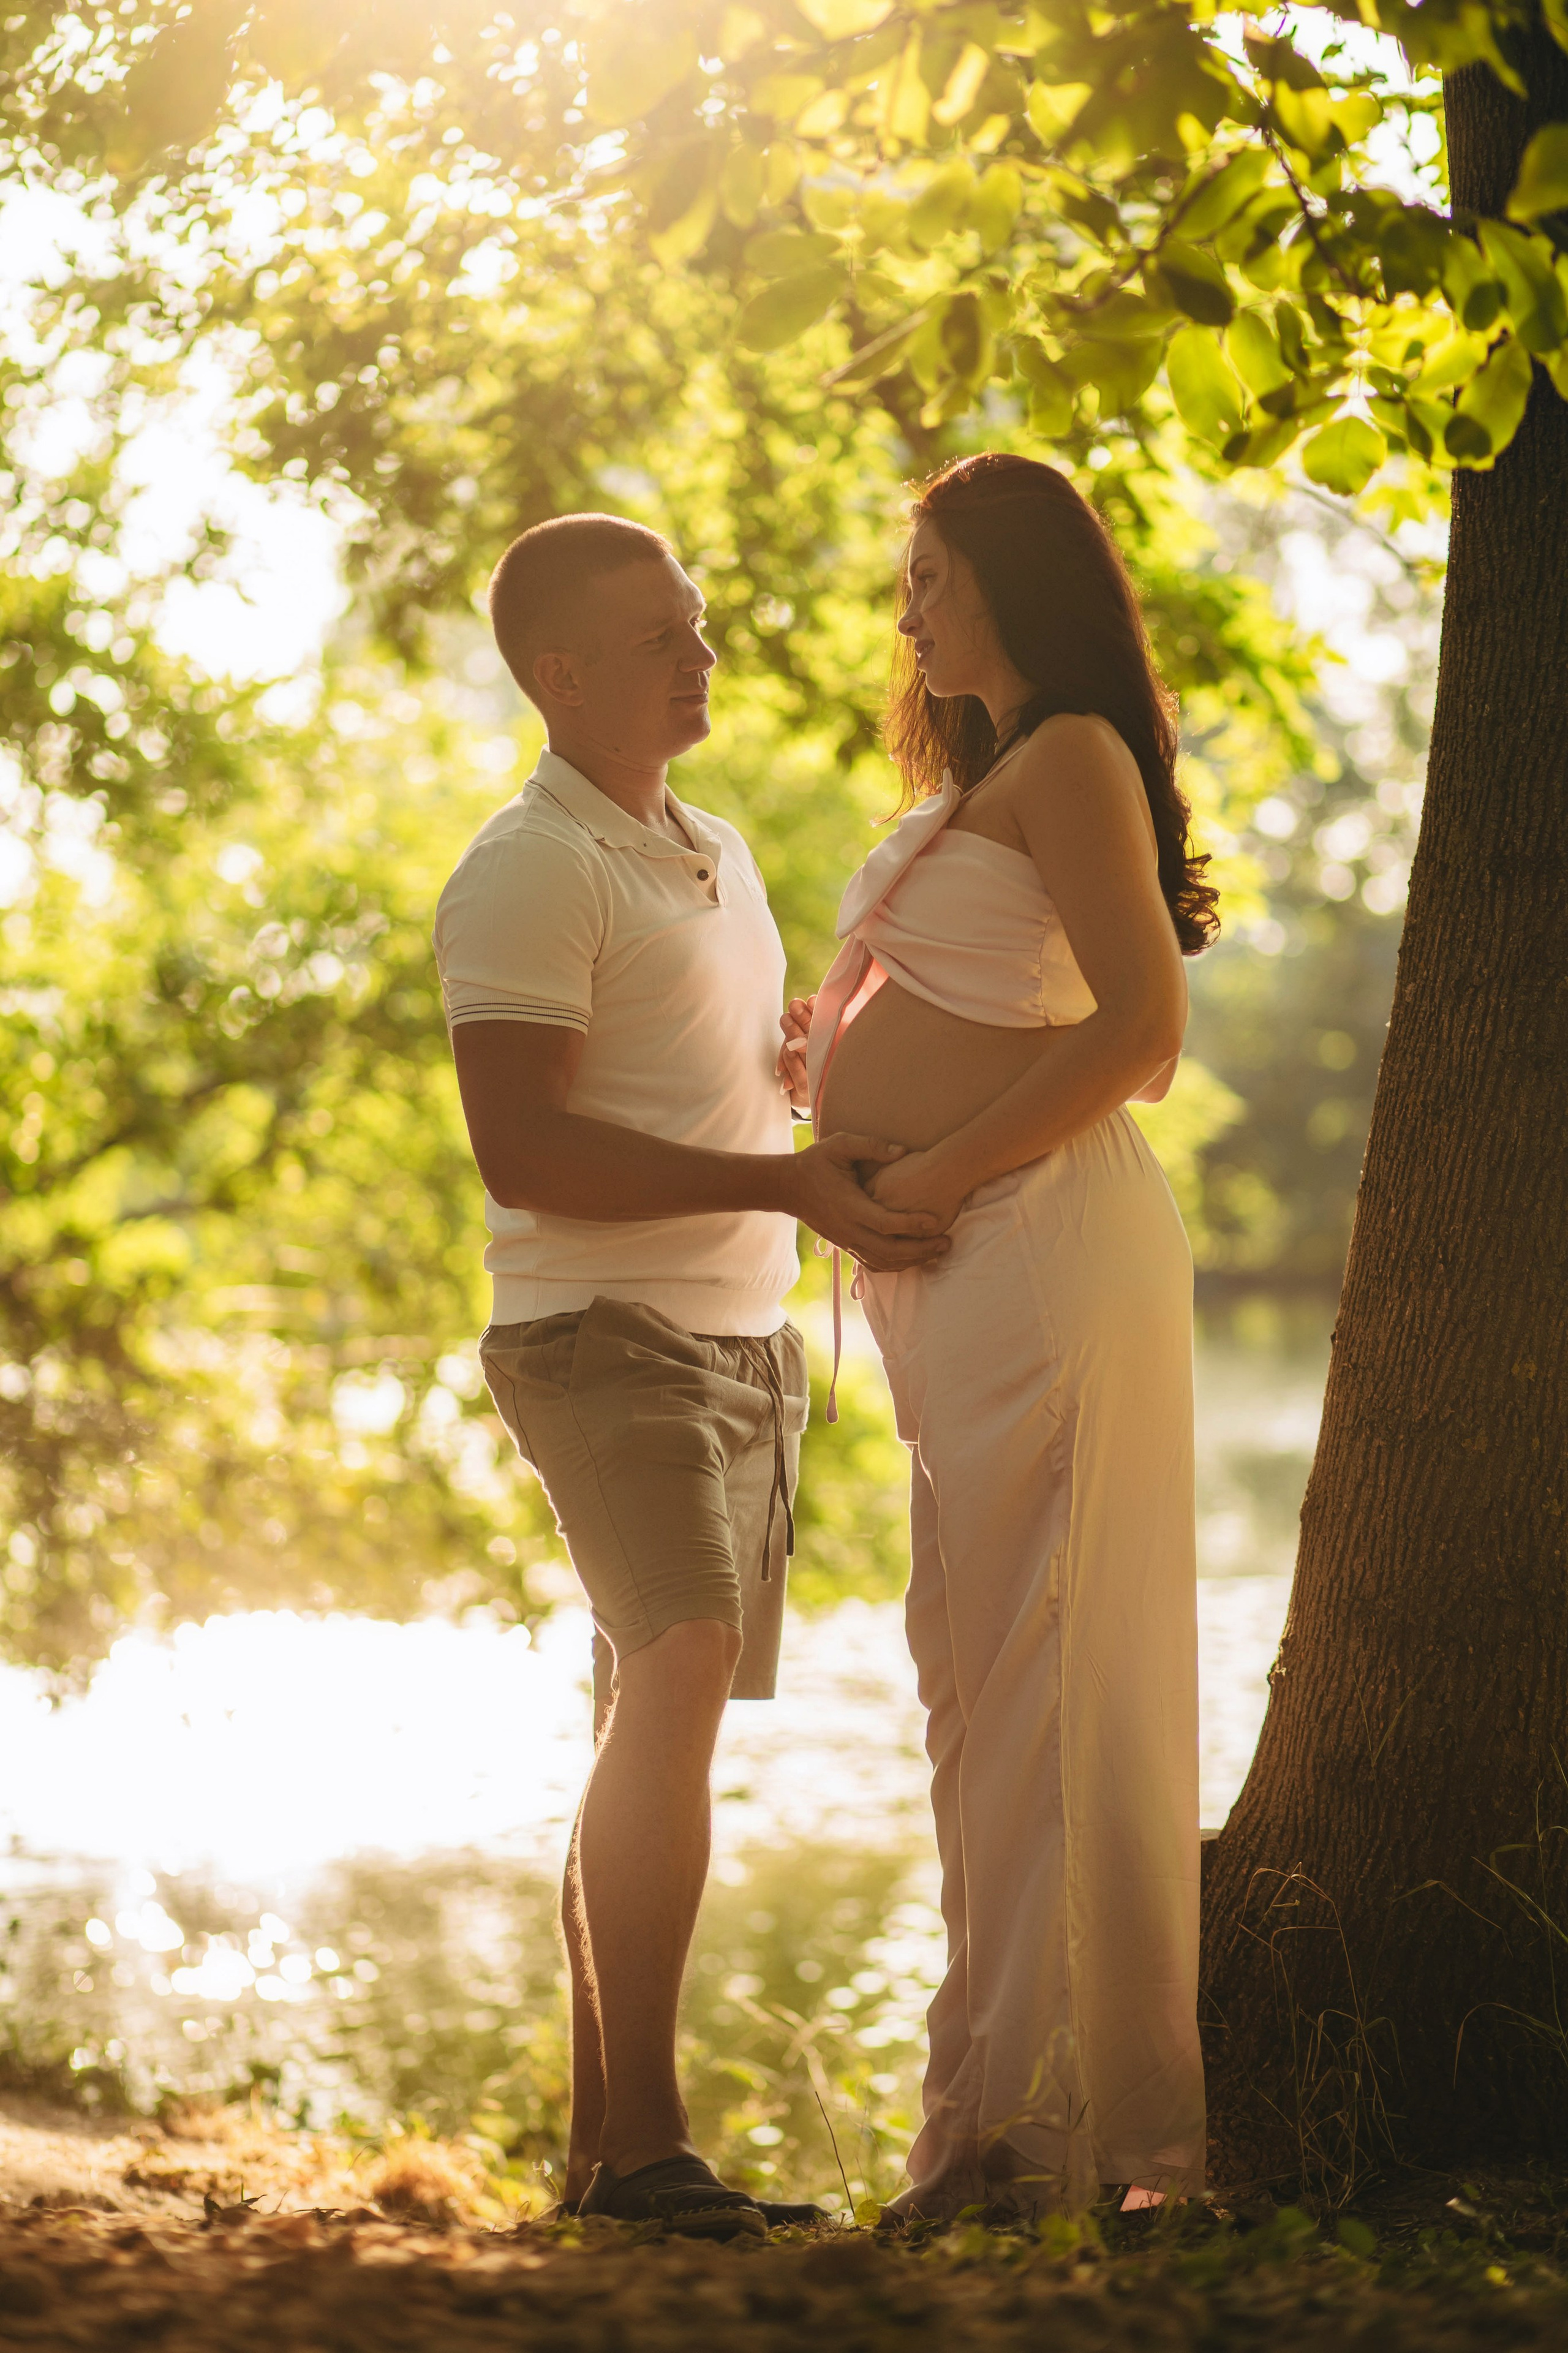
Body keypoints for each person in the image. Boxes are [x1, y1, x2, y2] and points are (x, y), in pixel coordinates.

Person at [432, 513, 950, 2241]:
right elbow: (524, 1150)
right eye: (660, 636)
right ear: (562, 674)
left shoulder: (711, 844)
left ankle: (605, 2151)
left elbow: (700, 1082)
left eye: (698, 620)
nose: (699, 650)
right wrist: (784, 1184)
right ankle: (649, 2151)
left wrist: (795, 1081)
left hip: (743, 1337)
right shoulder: (528, 864)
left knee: (654, 1707)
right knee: (679, 1667)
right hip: (602, 1331)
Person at [780, 453, 1213, 2217]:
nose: (912, 608)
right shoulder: (999, 777)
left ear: (1022, 580)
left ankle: (1055, 2139)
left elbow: (1143, 1032)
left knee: (1048, 1675)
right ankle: (982, 2109)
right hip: (956, 1269)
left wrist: (932, 1165)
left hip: (1036, 1245)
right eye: (912, 575)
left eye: (938, 573)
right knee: (970, 1685)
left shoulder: (1078, 760)